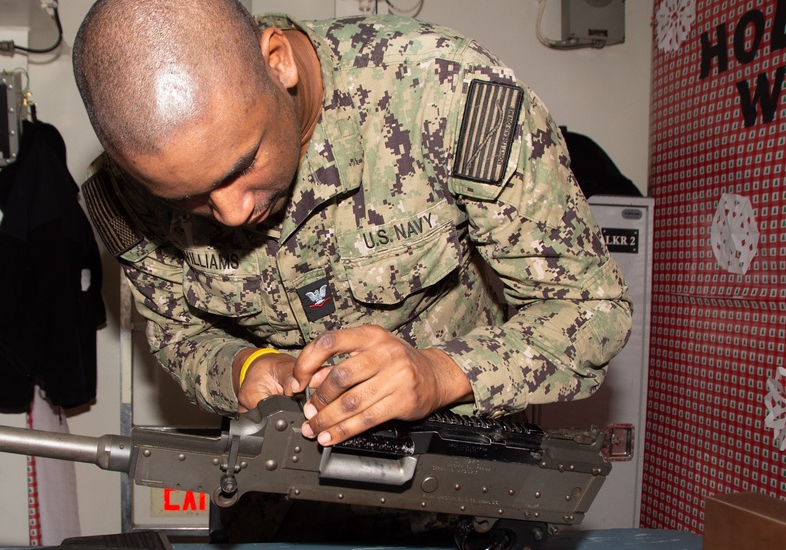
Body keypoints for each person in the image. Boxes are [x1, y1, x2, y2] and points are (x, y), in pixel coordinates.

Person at [71, 0, 632, 448]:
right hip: (280, 486)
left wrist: (439, 375)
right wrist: (246, 367)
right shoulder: (120, 194)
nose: (232, 213)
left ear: (278, 62)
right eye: (189, 198)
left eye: (242, 167)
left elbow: (589, 308)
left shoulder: (449, 96)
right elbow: (177, 333)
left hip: (462, 469)